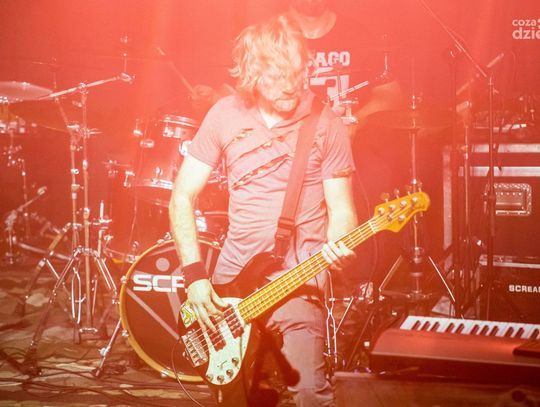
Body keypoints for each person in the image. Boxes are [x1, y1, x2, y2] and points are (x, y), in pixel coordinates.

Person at [169, 14, 357, 407]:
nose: (290, 85)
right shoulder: (225, 114)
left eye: (297, 73)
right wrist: (195, 277)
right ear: (252, 73)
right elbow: (182, 195)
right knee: (240, 400)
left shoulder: (326, 124)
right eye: (276, 76)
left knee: (310, 393)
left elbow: (341, 209)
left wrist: (340, 243)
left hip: (298, 284)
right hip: (230, 289)